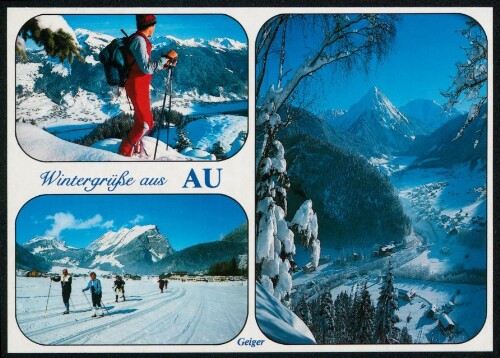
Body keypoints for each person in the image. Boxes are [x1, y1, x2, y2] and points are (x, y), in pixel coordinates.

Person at [118, 14, 178, 157]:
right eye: (154, 25)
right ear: (150, 25)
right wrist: (166, 58)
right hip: (136, 86)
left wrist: (165, 64)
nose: (155, 28)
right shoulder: (139, 40)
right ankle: (123, 152)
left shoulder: (140, 40)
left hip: (141, 85)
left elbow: (144, 67)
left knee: (144, 122)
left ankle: (135, 149)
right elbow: (147, 68)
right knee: (145, 123)